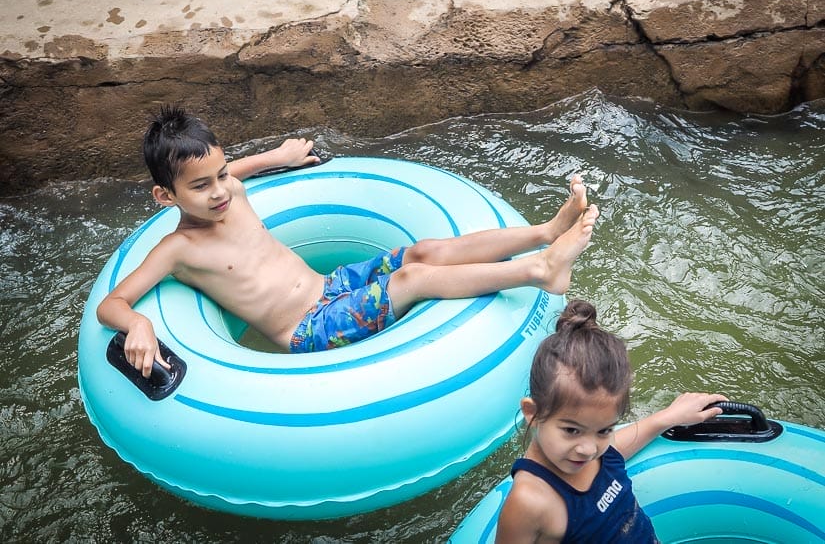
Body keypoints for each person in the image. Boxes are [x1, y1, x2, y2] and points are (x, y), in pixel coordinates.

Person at [97, 105, 599, 377]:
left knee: (422, 249)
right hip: (309, 329)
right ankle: (539, 270)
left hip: (332, 284)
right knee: (412, 277)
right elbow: (112, 303)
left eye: (222, 175)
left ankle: (545, 232)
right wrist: (138, 322)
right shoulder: (177, 250)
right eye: (201, 187)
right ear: (165, 196)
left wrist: (279, 155)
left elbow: (234, 172)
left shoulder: (233, 189)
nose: (220, 191)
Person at [495, 299, 728, 543]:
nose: (589, 449)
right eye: (571, 430)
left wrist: (668, 417)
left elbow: (615, 447)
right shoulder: (530, 501)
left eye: (604, 430)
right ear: (533, 413)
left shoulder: (595, 450)